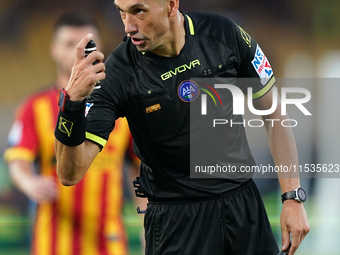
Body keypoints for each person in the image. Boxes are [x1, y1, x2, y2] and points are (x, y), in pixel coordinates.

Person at [54, 1, 310, 255]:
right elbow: (70, 173)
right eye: (122, 13)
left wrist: (293, 197)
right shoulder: (118, 74)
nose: (129, 26)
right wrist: (71, 103)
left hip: (244, 209)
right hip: (176, 224)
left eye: (138, 11)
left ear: (171, 4)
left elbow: (273, 110)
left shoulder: (224, 34)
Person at [3, 11, 140, 255]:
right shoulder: (36, 107)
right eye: (69, 44)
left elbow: (138, 167)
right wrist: (29, 182)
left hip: (110, 244)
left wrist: (145, 220)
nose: (79, 53)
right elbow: (17, 158)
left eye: (88, 45)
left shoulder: (121, 110)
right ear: (54, 49)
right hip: (53, 244)